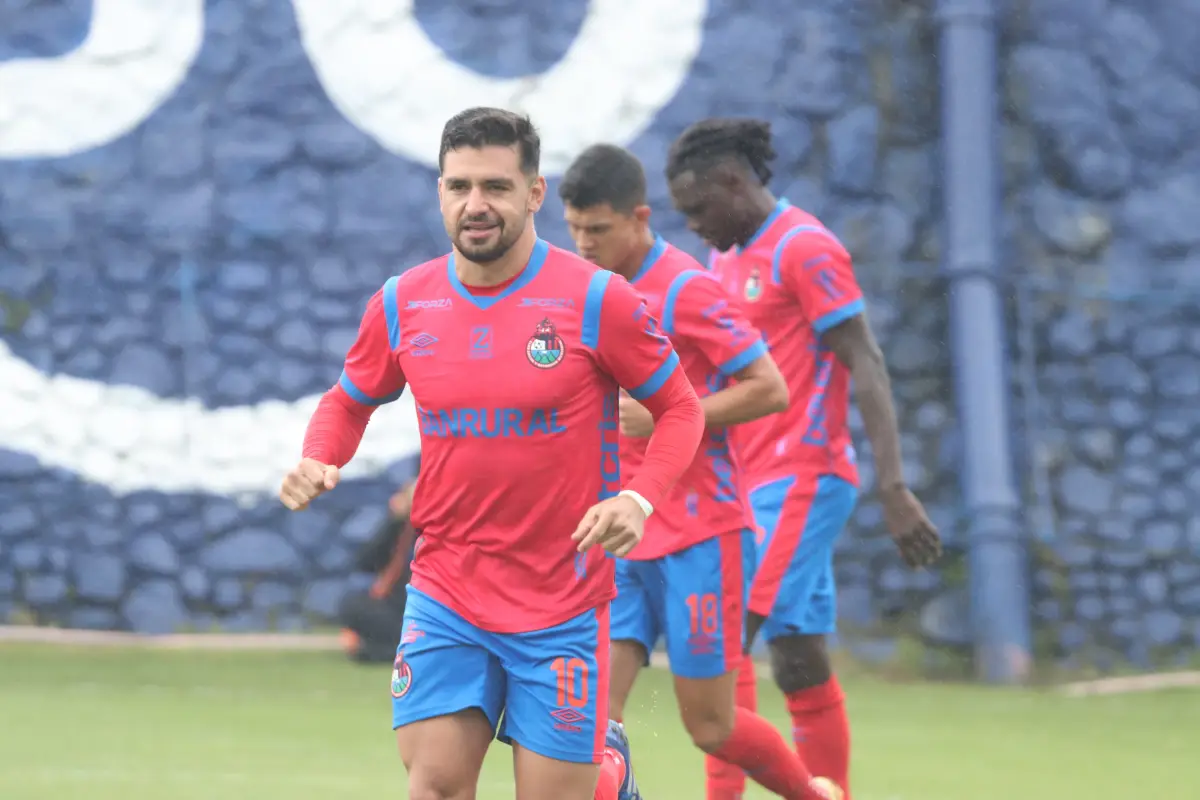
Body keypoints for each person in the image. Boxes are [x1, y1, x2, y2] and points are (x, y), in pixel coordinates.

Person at [279, 107, 706, 800]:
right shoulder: (403, 303)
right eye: (459, 186)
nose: (475, 204)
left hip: (562, 599)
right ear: (442, 192)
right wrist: (321, 455)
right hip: (448, 590)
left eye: (496, 187)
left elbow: (681, 409)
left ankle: (608, 772)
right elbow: (348, 399)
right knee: (435, 786)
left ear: (535, 194)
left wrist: (638, 495)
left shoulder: (598, 300)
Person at [665, 118, 944, 800]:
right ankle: (835, 788)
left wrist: (895, 485)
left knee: (721, 644)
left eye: (699, 209)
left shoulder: (805, 248)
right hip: (747, 478)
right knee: (797, 659)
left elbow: (865, 359)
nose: (694, 226)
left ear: (735, 182)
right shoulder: (725, 258)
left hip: (800, 475)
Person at [561, 144, 845, 800]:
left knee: (711, 727)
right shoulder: (583, 290)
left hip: (700, 536)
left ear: (637, 218)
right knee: (588, 725)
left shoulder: (687, 288)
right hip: (619, 532)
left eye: (597, 230)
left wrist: (670, 416)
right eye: (574, 228)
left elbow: (769, 388)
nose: (583, 243)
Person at [338, 473, 421, 664]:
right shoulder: (402, 529)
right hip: (395, 605)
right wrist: (395, 521)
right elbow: (366, 562)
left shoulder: (442, 528)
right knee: (354, 605)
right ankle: (396, 649)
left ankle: (386, 652)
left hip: (427, 607)